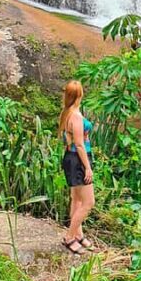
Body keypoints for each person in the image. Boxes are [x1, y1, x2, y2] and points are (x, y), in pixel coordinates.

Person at [59, 80, 95, 254]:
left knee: (76, 199)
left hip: (70, 157)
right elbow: (80, 144)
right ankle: (69, 237)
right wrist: (88, 167)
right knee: (88, 202)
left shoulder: (67, 113)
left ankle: (78, 234)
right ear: (79, 95)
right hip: (79, 159)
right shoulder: (76, 116)